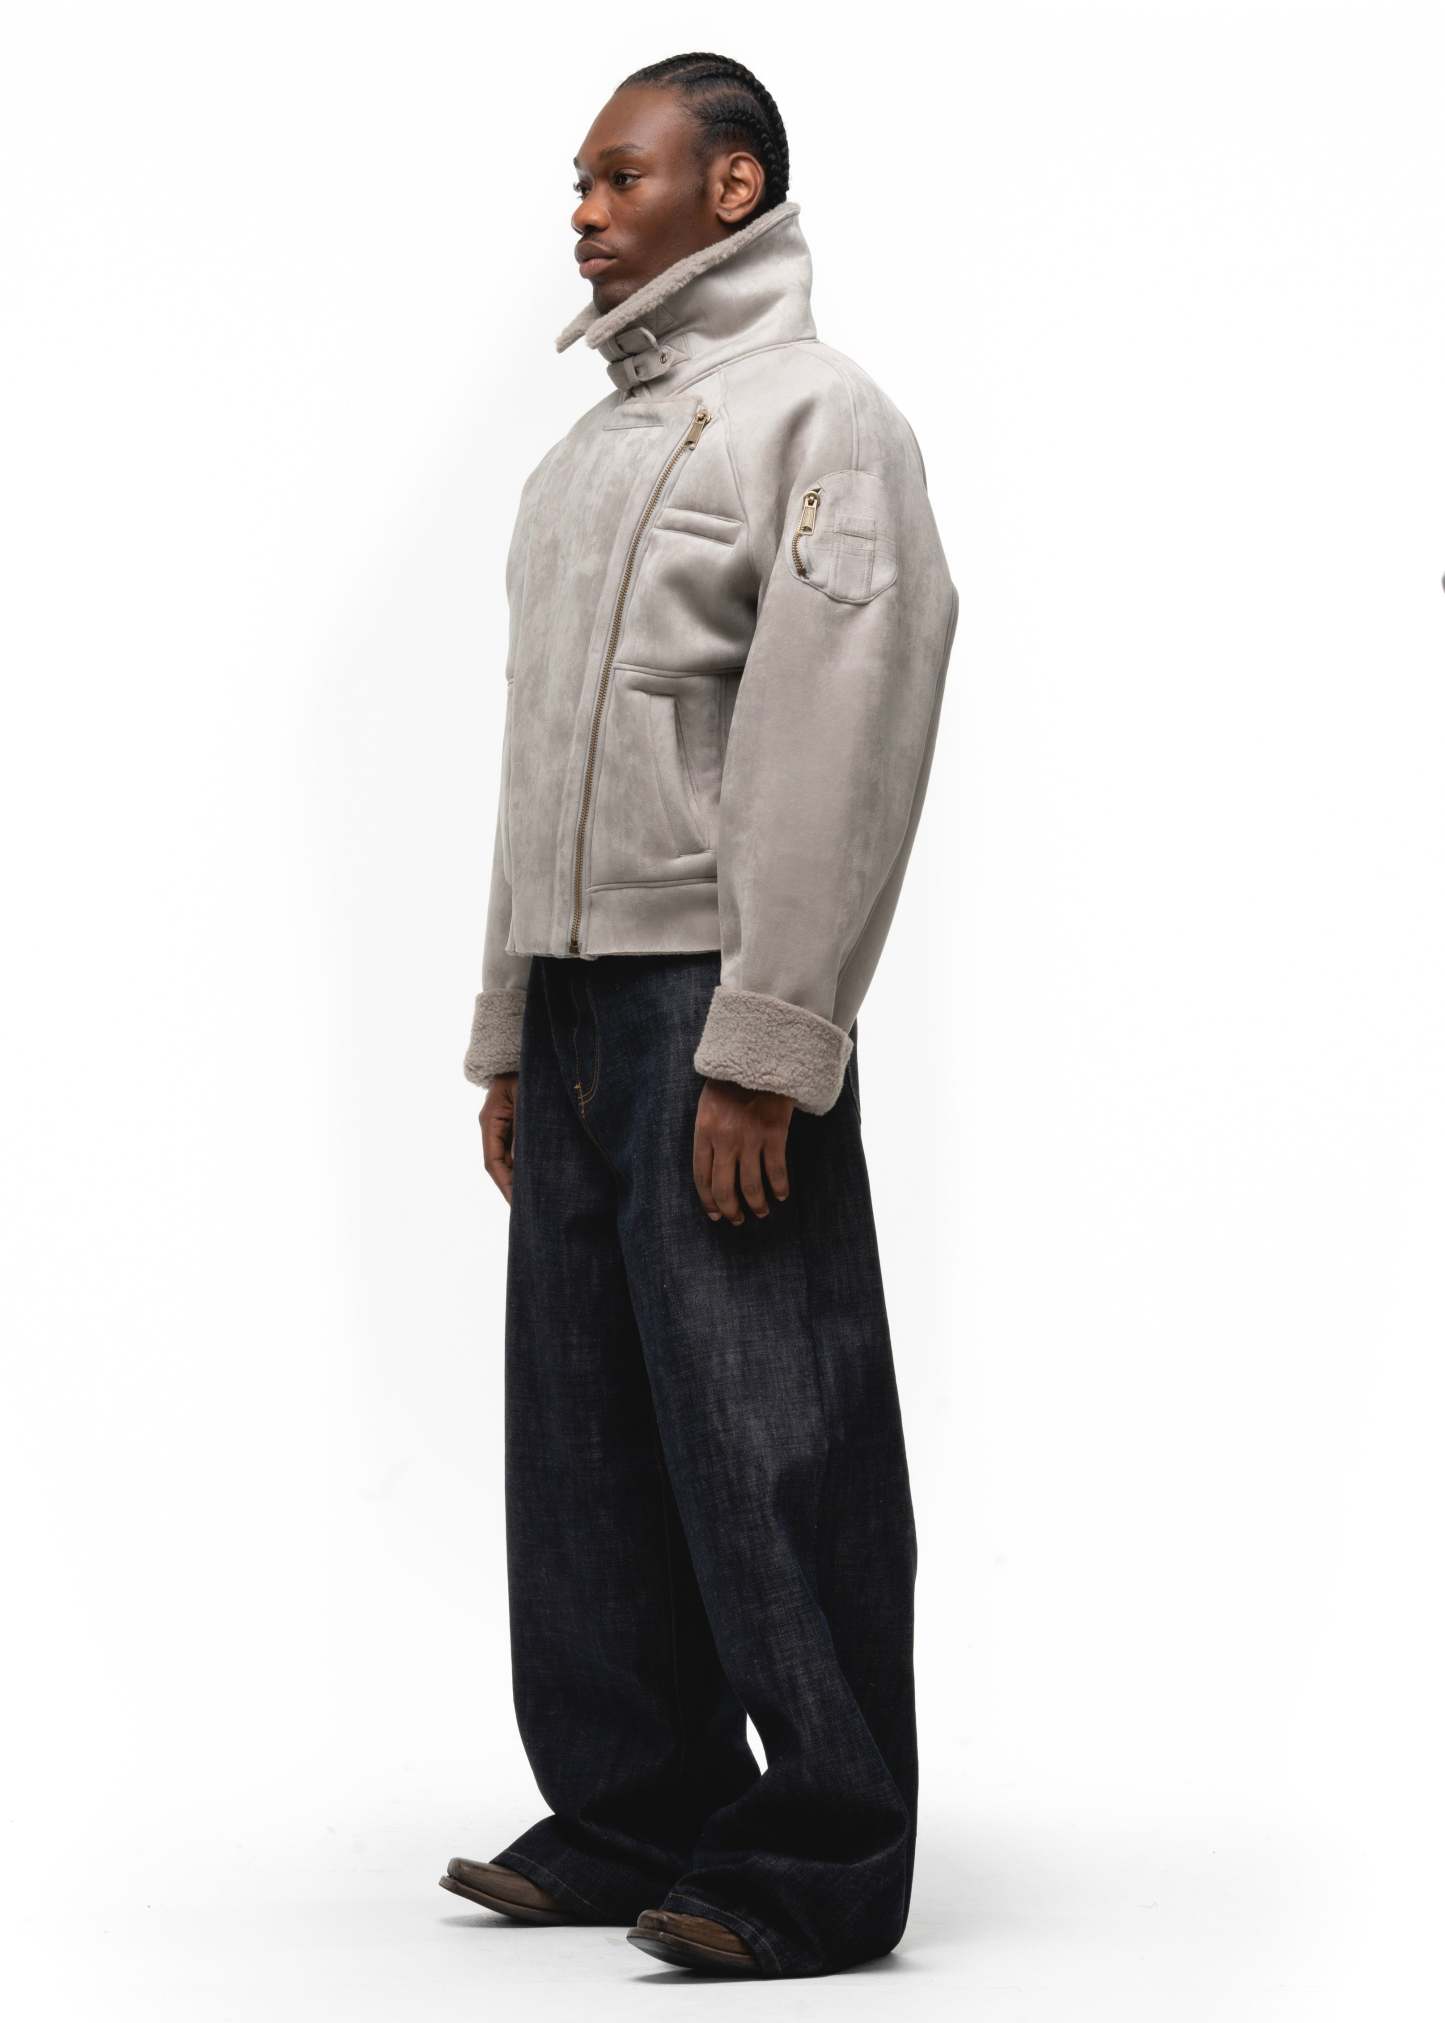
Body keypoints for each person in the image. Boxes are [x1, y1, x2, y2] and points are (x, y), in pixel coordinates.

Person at [438, 51, 959, 1980]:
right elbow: (531, 767)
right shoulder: (583, 460)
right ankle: (633, 1807)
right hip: (579, 1001)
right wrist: (509, 1027)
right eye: (578, 183)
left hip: (708, 996)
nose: (584, 211)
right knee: (583, 1434)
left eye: (619, 175)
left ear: (730, 188)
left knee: (771, 1427)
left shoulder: (822, 418)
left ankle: (821, 1852)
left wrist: (772, 1037)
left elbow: (841, 738)